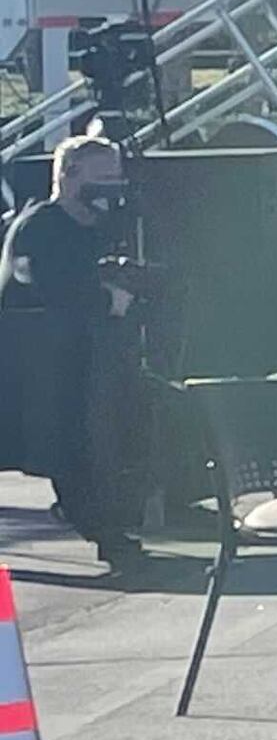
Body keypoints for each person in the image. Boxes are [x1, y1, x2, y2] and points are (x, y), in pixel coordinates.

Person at [0, 129, 150, 564]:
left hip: (82, 361)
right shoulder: (41, 227)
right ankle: (107, 534)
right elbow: (49, 288)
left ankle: (113, 517)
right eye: (102, 175)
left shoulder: (100, 227)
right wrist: (109, 300)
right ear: (68, 177)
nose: (112, 185)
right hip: (38, 366)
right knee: (73, 444)